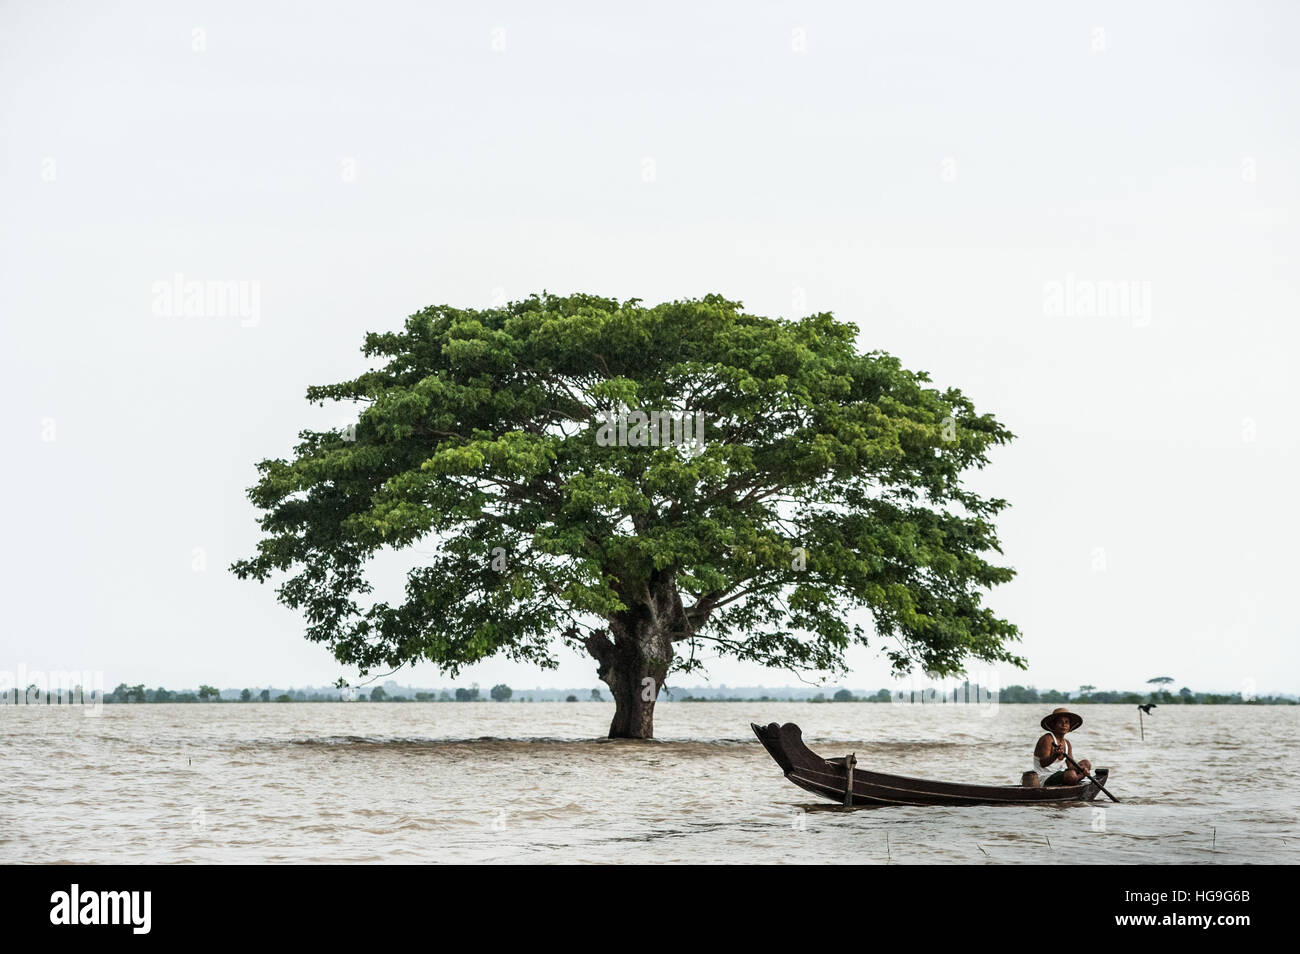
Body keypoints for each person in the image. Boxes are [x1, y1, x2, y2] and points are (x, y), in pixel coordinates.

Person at [1032, 707, 1093, 786]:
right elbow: (1043, 763)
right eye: (1060, 722)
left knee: (1086, 763)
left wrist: (1082, 769)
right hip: (1044, 777)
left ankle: (1075, 778)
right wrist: (1055, 755)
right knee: (1071, 775)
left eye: (1067, 722)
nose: (1064, 725)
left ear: (1069, 726)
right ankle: (1076, 778)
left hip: (1059, 774)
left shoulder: (1067, 743)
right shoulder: (1047, 739)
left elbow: (1071, 765)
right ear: (1054, 725)